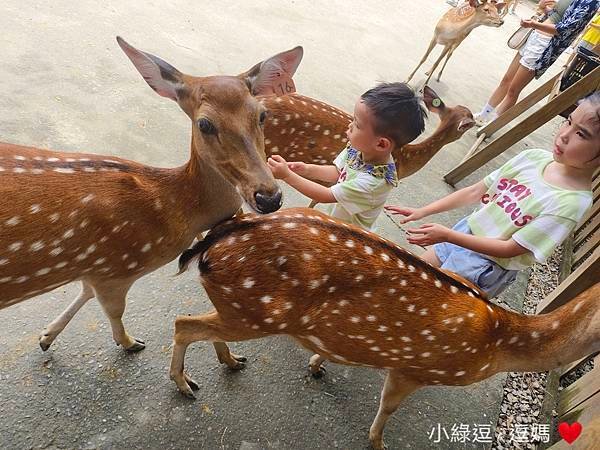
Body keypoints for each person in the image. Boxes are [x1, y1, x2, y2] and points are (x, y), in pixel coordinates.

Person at [386, 92, 600, 298]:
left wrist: (448, 236)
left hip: (484, 265)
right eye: (568, 121)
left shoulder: (571, 203)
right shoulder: (532, 158)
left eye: (581, 134)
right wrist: (423, 211)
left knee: (428, 308)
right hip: (465, 231)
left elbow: (509, 249)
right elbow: (475, 191)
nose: (564, 135)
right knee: (408, 281)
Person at [267, 82, 426, 231]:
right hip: (337, 219)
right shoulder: (360, 151)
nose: (349, 125)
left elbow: (325, 195)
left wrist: (287, 176)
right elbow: (338, 172)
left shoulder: (373, 183)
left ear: (381, 144)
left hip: (346, 233)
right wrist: (307, 169)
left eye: (356, 124)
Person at [475, 0, 599, 126]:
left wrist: (534, 24)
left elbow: (566, 28)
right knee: (506, 79)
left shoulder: (591, 2)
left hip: (545, 44)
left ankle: (491, 125)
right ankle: (483, 114)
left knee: (513, 90)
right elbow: (557, 16)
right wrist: (544, 9)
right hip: (534, 36)